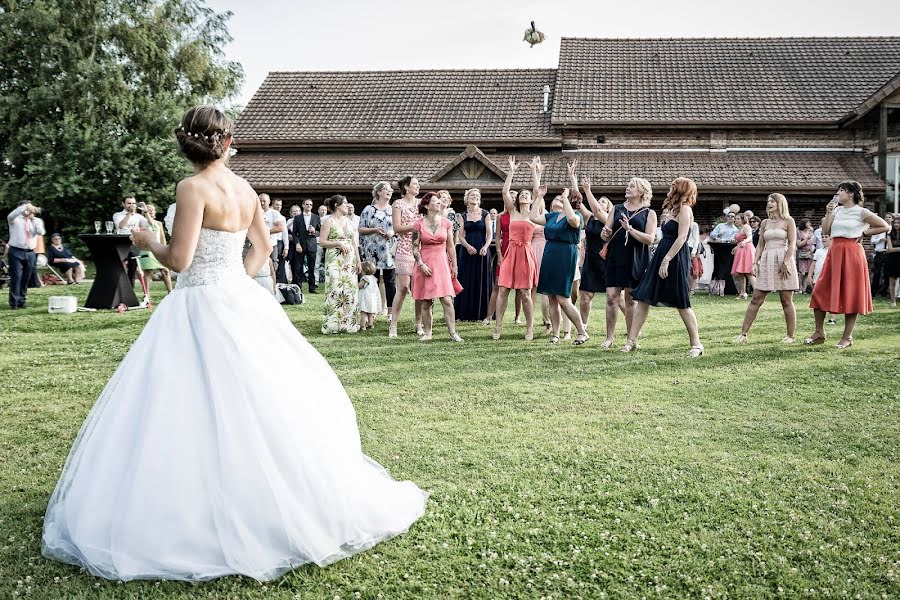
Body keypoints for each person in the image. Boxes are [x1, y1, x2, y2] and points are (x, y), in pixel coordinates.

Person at [43, 106, 426, 582]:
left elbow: (180, 259)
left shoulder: (191, 188)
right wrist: (236, 285)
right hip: (240, 299)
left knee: (184, 401)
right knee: (260, 399)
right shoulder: (245, 189)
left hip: (198, 303)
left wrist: (145, 239)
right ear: (226, 143)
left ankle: (193, 500)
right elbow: (262, 248)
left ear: (187, 146)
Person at [805, 182, 889, 348]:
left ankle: (847, 337)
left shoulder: (861, 212)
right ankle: (819, 332)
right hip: (835, 251)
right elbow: (826, 231)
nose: (838, 193)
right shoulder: (836, 210)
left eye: (841, 190)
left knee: (851, 293)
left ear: (851, 193)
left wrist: (864, 232)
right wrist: (829, 213)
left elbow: (884, 226)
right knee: (820, 290)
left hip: (852, 252)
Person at [629, 177, 703, 358]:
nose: (670, 188)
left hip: (675, 257)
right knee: (644, 297)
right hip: (662, 253)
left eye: (673, 186)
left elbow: (682, 238)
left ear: (681, 190)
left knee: (681, 301)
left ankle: (696, 344)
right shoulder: (672, 209)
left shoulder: (685, 210)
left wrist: (667, 260)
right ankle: (631, 341)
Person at [530, 157, 589, 345]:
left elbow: (572, 221)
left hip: (566, 256)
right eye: (557, 198)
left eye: (562, 198)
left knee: (564, 298)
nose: (559, 200)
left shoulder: (576, 216)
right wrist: (539, 196)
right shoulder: (552, 216)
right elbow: (532, 217)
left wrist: (567, 197)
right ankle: (555, 334)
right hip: (550, 255)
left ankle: (581, 331)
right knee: (552, 298)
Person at [734, 193, 799, 344]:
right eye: (768, 201)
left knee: (786, 300)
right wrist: (755, 262)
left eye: (773, 201)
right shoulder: (764, 223)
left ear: (780, 204)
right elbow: (760, 245)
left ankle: (790, 336)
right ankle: (743, 334)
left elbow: (792, 243)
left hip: (783, 258)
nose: (769, 203)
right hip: (767, 258)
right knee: (756, 298)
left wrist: (786, 262)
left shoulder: (789, 221)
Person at [601, 176, 657, 351]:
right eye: (628, 186)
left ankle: (630, 340)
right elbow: (606, 234)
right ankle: (609, 338)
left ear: (641, 192)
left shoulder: (650, 213)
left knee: (631, 300)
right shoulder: (616, 209)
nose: (627, 188)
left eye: (632, 186)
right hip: (615, 257)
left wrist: (630, 229)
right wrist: (605, 232)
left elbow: (650, 239)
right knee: (611, 297)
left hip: (636, 258)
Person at [492, 158, 537, 340]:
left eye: (527, 194)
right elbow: (504, 192)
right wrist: (511, 172)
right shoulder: (512, 212)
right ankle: (497, 327)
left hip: (526, 254)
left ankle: (529, 328)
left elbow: (537, 190)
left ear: (532, 199)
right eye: (521, 194)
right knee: (503, 290)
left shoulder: (534, 213)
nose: (524, 195)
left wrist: (534, 171)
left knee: (525, 293)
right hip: (511, 252)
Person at [411, 192, 463, 342]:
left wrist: (455, 265)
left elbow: (451, 246)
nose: (439, 203)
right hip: (425, 263)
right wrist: (421, 264)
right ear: (427, 206)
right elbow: (414, 248)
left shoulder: (446, 223)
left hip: (442, 263)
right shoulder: (418, 224)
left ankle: (453, 333)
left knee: (447, 299)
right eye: (435, 201)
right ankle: (428, 333)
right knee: (426, 300)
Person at [574, 173, 612, 331]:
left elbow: (596, 209)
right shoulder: (589, 218)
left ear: (608, 207)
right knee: (585, 296)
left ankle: (633, 324)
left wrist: (587, 190)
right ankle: (583, 326)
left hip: (606, 260)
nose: (600, 202)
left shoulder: (608, 218)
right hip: (591, 260)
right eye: (599, 200)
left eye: (604, 201)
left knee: (617, 298)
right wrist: (573, 180)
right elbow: (578, 202)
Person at [320, 194, 361, 334]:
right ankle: (332, 325)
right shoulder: (328, 221)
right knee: (335, 289)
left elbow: (354, 242)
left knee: (350, 290)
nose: (347, 205)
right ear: (337, 206)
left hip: (349, 260)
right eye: (344, 203)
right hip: (334, 259)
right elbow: (322, 242)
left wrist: (358, 260)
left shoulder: (349, 221)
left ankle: (349, 324)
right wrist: (337, 243)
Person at [389, 175, 423, 338]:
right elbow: (397, 228)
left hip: (421, 249)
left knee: (419, 289)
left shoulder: (422, 203)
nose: (418, 186)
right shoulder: (398, 204)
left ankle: (418, 324)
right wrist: (416, 226)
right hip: (404, 248)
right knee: (403, 288)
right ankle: (393, 325)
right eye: (415, 184)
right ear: (406, 187)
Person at [454, 188, 494, 322]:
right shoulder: (462, 215)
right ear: (467, 198)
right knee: (466, 279)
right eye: (472, 195)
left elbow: (489, 234)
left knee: (482, 279)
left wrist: (486, 247)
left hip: (483, 250)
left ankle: (484, 313)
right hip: (467, 251)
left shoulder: (485, 214)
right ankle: (464, 313)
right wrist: (467, 246)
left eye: (477, 195)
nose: (475, 197)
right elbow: (460, 235)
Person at [359, 182, 396, 316]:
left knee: (390, 282)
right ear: (379, 192)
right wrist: (374, 230)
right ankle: (371, 311)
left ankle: (391, 312)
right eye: (387, 189)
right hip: (371, 250)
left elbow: (399, 226)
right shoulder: (368, 209)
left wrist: (392, 232)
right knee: (371, 280)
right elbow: (361, 229)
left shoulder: (393, 210)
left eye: (391, 190)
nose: (390, 192)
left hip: (388, 251)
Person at [6, 201, 45, 307]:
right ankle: (14, 302)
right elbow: (11, 214)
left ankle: (22, 301)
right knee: (16, 276)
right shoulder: (14, 219)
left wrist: (33, 219)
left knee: (26, 277)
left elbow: (41, 232)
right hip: (16, 251)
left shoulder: (37, 220)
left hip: (30, 252)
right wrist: (26, 206)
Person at [137, 203, 173, 293]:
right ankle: (146, 295)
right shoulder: (142, 223)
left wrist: (165, 248)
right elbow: (151, 224)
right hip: (147, 250)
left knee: (165, 271)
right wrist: (145, 212)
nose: (151, 211)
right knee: (148, 272)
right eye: (148, 210)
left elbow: (162, 237)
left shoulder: (159, 223)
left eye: (152, 210)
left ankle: (170, 292)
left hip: (159, 248)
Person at [113, 196, 150, 286]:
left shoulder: (138, 216)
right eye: (129, 203)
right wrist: (129, 214)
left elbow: (150, 224)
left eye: (133, 203)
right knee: (119, 267)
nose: (131, 205)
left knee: (132, 268)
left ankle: (130, 290)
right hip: (121, 242)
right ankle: (118, 286)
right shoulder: (117, 215)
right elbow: (121, 226)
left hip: (134, 243)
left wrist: (146, 211)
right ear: (123, 204)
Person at [291, 198, 321, 293]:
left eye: (310, 205)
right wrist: (297, 244)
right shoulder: (297, 218)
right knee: (298, 267)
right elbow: (294, 233)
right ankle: (299, 288)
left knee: (312, 268)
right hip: (301, 245)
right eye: (307, 204)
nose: (309, 206)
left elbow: (320, 232)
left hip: (312, 245)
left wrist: (314, 232)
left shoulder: (316, 217)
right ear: (303, 205)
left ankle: (312, 288)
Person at [730, 213, 756, 300]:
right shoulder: (740, 228)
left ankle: (757, 292)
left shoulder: (746, 227)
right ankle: (742, 293)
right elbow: (740, 241)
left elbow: (750, 238)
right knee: (740, 272)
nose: (735, 220)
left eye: (737, 219)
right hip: (741, 250)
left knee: (748, 272)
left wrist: (744, 242)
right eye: (735, 219)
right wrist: (736, 247)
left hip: (747, 250)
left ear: (743, 219)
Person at [870, 212, 891, 297]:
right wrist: (879, 240)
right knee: (877, 272)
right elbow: (872, 240)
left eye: (889, 217)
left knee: (887, 273)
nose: (887, 218)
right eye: (886, 217)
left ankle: (884, 291)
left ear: (892, 219)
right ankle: (873, 292)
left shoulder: (893, 230)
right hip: (879, 252)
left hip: (888, 253)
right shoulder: (879, 229)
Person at [357, 260, 381, 330]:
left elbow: (360, 286)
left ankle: (362, 326)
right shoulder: (374, 278)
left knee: (363, 312)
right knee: (370, 312)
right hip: (372, 298)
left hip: (365, 298)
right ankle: (370, 324)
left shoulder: (365, 278)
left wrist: (356, 285)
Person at [795, 218, 815, 293]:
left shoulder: (811, 232)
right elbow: (799, 244)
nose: (809, 224)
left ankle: (804, 289)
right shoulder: (799, 233)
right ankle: (798, 288)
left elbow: (813, 242)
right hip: (802, 254)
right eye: (808, 223)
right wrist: (807, 239)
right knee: (802, 272)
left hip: (809, 254)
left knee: (807, 272)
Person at [884, 215, 900, 308]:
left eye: (899, 223)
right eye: (896, 223)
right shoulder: (890, 234)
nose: (897, 225)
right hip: (892, 259)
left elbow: (892, 249)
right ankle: (893, 301)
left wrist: (894, 249)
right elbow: (889, 249)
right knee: (892, 281)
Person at [285, 203, 301, 283]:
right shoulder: (289, 221)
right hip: (291, 245)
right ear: (291, 213)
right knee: (292, 263)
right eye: (294, 211)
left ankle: (299, 280)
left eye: (297, 211)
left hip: (300, 244)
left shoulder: (302, 220)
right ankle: (293, 280)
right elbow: (285, 230)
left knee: (299, 264)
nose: (296, 213)